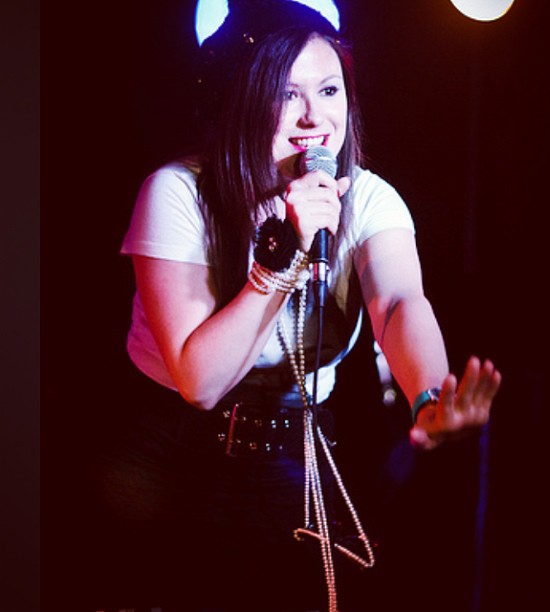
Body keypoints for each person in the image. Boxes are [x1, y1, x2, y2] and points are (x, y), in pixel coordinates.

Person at [94, 2, 502, 611]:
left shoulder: (368, 199)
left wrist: (428, 397)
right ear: (242, 98)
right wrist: (283, 253)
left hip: (294, 452)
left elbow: (397, 303)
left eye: (330, 90)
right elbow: (199, 382)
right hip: (169, 460)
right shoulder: (178, 193)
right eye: (288, 94)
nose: (315, 116)